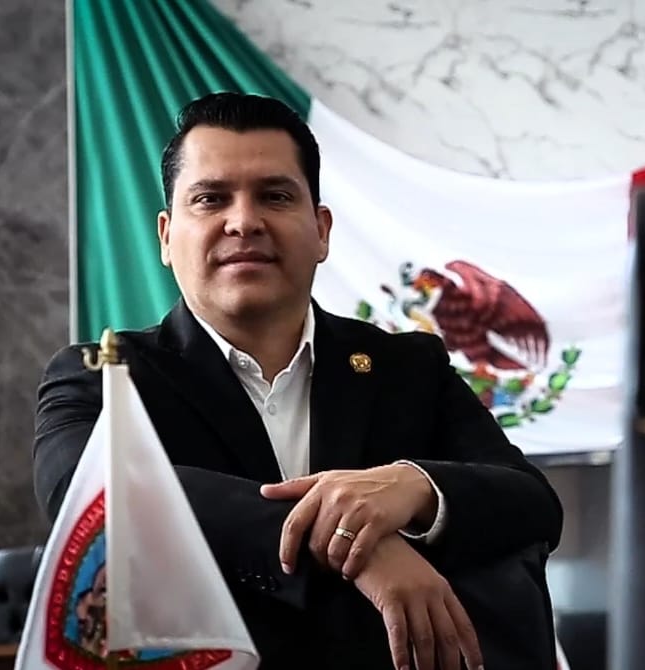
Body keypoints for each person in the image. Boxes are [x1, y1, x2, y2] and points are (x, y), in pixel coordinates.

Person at [33, 92, 564, 668]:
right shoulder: (101, 376)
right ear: (166, 236)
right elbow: (92, 495)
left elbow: (532, 503)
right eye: (211, 199)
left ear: (321, 230)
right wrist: (354, 544)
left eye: (275, 196)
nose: (244, 221)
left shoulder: (408, 366)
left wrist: (414, 487)